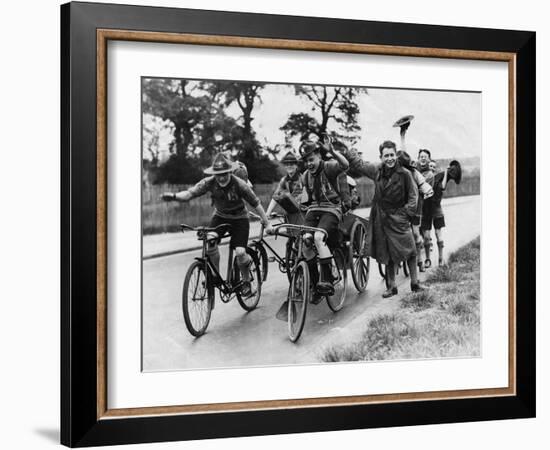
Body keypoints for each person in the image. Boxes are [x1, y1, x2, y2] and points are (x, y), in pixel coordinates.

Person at [161, 153, 272, 297]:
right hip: (220, 216)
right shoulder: (209, 182)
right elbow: (189, 194)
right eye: (218, 174)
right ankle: (214, 276)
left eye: (224, 174)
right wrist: (174, 197)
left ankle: (246, 282)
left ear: (229, 172)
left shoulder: (239, 184)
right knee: (210, 240)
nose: (221, 178)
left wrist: (268, 224)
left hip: (240, 218)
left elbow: (257, 204)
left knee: (240, 252)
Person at [343, 140, 426, 297]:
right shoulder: (377, 171)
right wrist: (350, 151)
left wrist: (404, 215)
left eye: (392, 155)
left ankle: (415, 283)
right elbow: (359, 165)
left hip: (399, 218)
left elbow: (413, 197)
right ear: (381, 157)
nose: (389, 158)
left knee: (411, 250)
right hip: (381, 218)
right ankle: (391, 286)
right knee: (386, 253)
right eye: (386, 155)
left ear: (396, 155)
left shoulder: (405, 174)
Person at [299, 137, 349, 299]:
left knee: (318, 237)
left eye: (311, 159)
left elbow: (345, 165)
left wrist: (333, 151)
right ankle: (315, 285)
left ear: (319, 156)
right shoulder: (306, 176)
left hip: (332, 209)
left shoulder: (329, 167)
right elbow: (305, 199)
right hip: (314, 209)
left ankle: (327, 279)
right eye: (306, 161)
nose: (309, 164)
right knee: (306, 241)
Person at [421, 160, 462, 267]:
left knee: (438, 235)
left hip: (436, 209)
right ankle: (428, 259)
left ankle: (440, 258)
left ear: (436, 168)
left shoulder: (440, 177)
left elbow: (443, 186)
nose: (432, 168)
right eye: (430, 166)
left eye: (434, 166)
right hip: (425, 209)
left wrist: (446, 173)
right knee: (426, 237)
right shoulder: (423, 178)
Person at [265, 150, 304, 224]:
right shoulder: (284, 180)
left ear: (296, 165)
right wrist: (267, 213)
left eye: (292, 164)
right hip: (290, 214)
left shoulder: (303, 178)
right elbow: (275, 197)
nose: (289, 166)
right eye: (287, 164)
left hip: (303, 213)